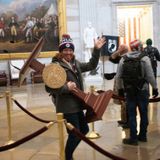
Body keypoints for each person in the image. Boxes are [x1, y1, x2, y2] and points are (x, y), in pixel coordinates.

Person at [45, 34, 106, 160]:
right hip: (67, 107)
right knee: (75, 133)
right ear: (61, 51)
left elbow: (91, 65)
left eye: (70, 50)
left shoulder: (75, 63)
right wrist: (66, 88)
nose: (68, 52)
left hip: (78, 104)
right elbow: (48, 88)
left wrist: (96, 49)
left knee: (83, 130)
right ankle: (67, 157)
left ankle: (68, 155)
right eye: (65, 50)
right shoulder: (55, 66)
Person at [116, 39, 158, 145]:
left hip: (129, 91)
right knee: (144, 113)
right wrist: (155, 88)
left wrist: (120, 90)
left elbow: (118, 77)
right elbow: (150, 75)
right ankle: (143, 136)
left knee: (131, 114)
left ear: (131, 48)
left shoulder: (123, 59)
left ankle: (133, 138)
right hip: (143, 90)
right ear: (140, 47)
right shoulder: (145, 58)